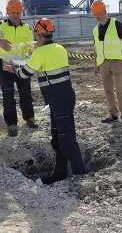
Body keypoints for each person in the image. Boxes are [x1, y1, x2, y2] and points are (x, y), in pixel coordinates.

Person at [5, 18, 86, 184]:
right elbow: (40, 63)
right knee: (57, 137)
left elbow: (24, 74)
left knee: (67, 139)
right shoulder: (60, 49)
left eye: (36, 36)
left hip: (59, 99)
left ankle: (80, 175)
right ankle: (60, 172)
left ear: (40, 35)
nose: (35, 39)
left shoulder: (40, 53)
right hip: (63, 98)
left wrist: (14, 69)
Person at [0, 0, 38, 137]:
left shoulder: (26, 28)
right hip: (5, 66)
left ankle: (29, 118)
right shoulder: (1, 26)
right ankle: (12, 124)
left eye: (18, 12)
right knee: (8, 95)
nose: (16, 15)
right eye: (13, 12)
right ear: (7, 12)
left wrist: (34, 55)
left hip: (21, 65)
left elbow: (30, 47)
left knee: (26, 93)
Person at [91, 0, 122, 124]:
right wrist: (96, 65)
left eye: (99, 13)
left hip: (117, 60)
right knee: (108, 89)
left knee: (119, 88)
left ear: (105, 11)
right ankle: (113, 113)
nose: (97, 16)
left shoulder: (116, 24)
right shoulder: (95, 30)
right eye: (95, 14)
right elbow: (96, 48)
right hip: (103, 62)